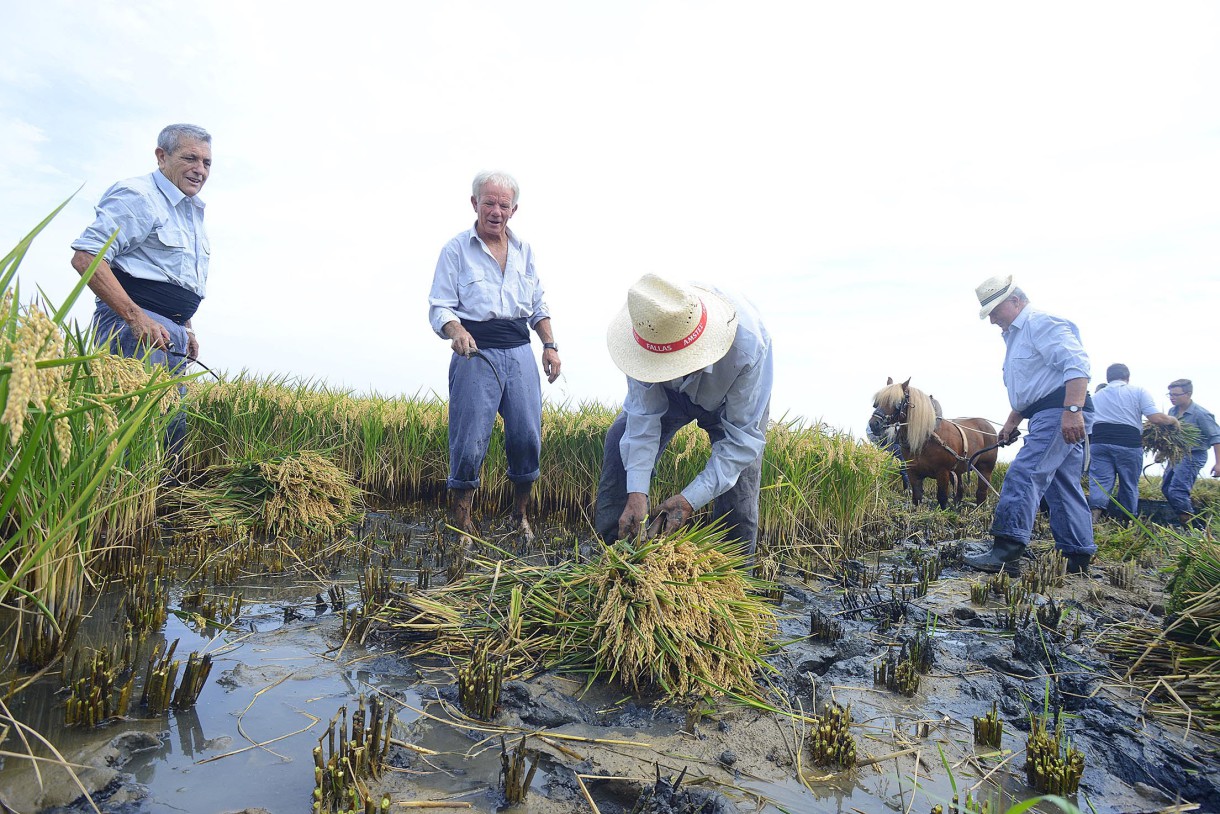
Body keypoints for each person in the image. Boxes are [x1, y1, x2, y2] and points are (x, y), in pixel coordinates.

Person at [594, 274, 773, 556]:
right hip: (670, 396)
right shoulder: (647, 330)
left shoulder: (747, 348)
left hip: (728, 398)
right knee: (619, 439)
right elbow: (642, 421)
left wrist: (689, 500)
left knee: (741, 489)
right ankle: (612, 553)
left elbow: (741, 442)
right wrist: (636, 492)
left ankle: (734, 580)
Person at [427, 171, 561, 543]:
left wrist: (549, 345)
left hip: (519, 352)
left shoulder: (525, 251)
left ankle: (520, 516)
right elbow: (440, 306)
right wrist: (457, 332)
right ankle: (462, 520)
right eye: (489, 202)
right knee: (469, 440)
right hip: (475, 354)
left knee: (527, 438)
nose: (496, 211)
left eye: (504, 205)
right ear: (474, 204)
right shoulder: (456, 249)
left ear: (514, 209)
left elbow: (538, 304)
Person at [70, 123, 213, 461]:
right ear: (162, 157)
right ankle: (120, 506)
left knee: (171, 426)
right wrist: (136, 317)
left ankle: (156, 505)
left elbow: (173, 276)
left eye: (207, 163)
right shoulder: (139, 196)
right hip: (136, 329)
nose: (200, 170)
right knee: (136, 431)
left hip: (171, 333)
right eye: (190, 158)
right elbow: (87, 256)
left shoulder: (191, 213)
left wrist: (187, 327)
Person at [964, 276, 1096, 575]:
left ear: (1016, 301)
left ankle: (1006, 551)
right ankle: (1077, 555)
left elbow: (1076, 365)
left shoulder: (1041, 323)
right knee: (1062, 485)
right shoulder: (1015, 337)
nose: (992, 319)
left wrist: (1073, 410)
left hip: (1059, 411)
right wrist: (1011, 423)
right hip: (1047, 412)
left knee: (1024, 473)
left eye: (995, 311)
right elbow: (1029, 390)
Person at [1088, 364, 1178, 522]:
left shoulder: (1096, 397)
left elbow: (1087, 423)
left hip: (1100, 443)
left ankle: (1093, 520)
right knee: (1128, 483)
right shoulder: (1138, 391)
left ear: (1108, 378)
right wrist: (1172, 420)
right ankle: (1128, 521)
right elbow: (1155, 418)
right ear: (1127, 377)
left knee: (1100, 482)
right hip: (1127, 443)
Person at [1161, 378, 1220, 525]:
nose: (1172, 398)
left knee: (1177, 490)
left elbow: (1216, 438)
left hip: (1194, 455)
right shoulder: (1172, 412)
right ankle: (1186, 518)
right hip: (1176, 456)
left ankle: (1190, 526)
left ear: (1188, 394)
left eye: (1175, 394)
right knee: (1166, 488)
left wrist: (1219, 463)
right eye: (1170, 395)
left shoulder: (1200, 414)